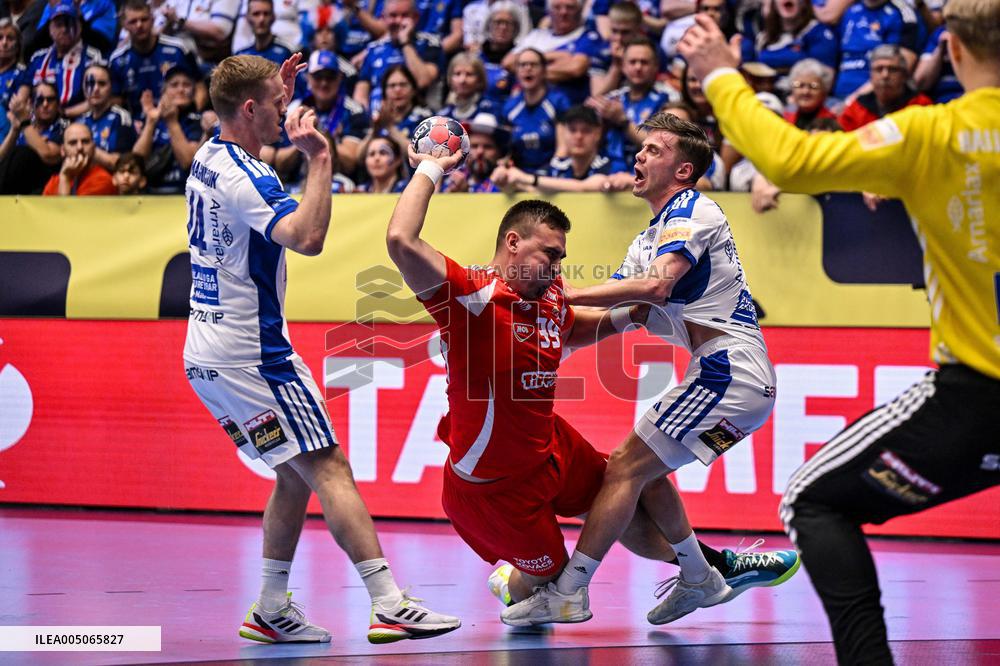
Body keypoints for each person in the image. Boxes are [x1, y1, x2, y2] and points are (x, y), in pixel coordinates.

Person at [677, 6, 1000, 663]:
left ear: (952, 48)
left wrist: (720, 78)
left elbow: (792, 160)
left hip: (980, 398)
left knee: (813, 501)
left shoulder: (935, 133)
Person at [385, 144, 790, 621]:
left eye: (562, 259)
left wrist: (640, 311)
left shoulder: (551, 299)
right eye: (548, 255)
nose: (557, 269)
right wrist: (431, 166)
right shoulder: (469, 295)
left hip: (550, 448)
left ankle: (709, 570)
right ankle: (517, 586)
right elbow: (400, 240)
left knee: (625, 487)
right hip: (493, 484)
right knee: (546, 573)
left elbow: (584, 323)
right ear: (512, 242)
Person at [183, 53, 461, 645]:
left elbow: (248, 149)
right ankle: (389, 602)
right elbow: (307, 238)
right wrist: (321, 157)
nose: (289, 109)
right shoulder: (247, 177)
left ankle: (271, 607)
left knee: (292, 472)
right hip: (253, 355)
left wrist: (271, 93)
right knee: (328, 465)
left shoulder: (209, 156)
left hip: (205, 354)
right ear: (250, 108)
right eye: (277, 103)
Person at [501, 110, 800, 628]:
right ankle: (702, 577)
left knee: (623, 467)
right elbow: (617, 316)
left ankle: (570, 590)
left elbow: (658, 287)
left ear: (683, 171)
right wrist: (532, 328)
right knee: (649, 476)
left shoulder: (694, 209)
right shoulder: (648, 238)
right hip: (726, 380)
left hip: (731, 373)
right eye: (640, 149)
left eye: (654, 151)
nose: (638, 156)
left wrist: (563, 291)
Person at [110, 0, 203, 119]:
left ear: (153, 19)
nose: (139, 25)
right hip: (139, 126)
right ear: (124, 25)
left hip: (179, 119)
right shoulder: (117, 60)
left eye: (144, 19)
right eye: (133, 21)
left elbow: (200, 88)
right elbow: (116, 102)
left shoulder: (178, 49)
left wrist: (193, 116)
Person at [838, 44, 932, 131]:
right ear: (871, 75)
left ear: (904, 76)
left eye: (893, 69)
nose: (885, 75)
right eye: (879, 69)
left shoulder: (921, 105)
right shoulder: (856, 109)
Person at [79, 64, 137, 172]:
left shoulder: (121, 118)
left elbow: (120, 163)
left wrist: (86, 149)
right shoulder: (79, 122)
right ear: (83, 87)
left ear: (111, 87)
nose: (95, 89)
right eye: (90, 83)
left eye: (101, 84)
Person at [41, 121, 116, 195]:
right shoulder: (54, 182)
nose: (80, 147)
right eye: (73, 143)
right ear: (63, 150)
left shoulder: (102, 179)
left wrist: (65, 178)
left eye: (85, 142)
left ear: (93, 148)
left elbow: (69, 207)